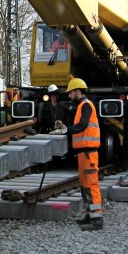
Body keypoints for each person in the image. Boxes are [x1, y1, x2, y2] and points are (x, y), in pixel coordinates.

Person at [51, 77, 103, 231]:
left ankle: (97, 219)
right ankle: (89, 215)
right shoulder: (81, 106)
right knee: (84, 185)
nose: (69, 96)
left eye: (71, 92)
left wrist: (67, 130)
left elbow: (82, 125)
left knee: (91, 184)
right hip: (83, 153)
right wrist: (66, 127)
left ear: (78, 91)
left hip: (88, 153)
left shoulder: (86, 106)